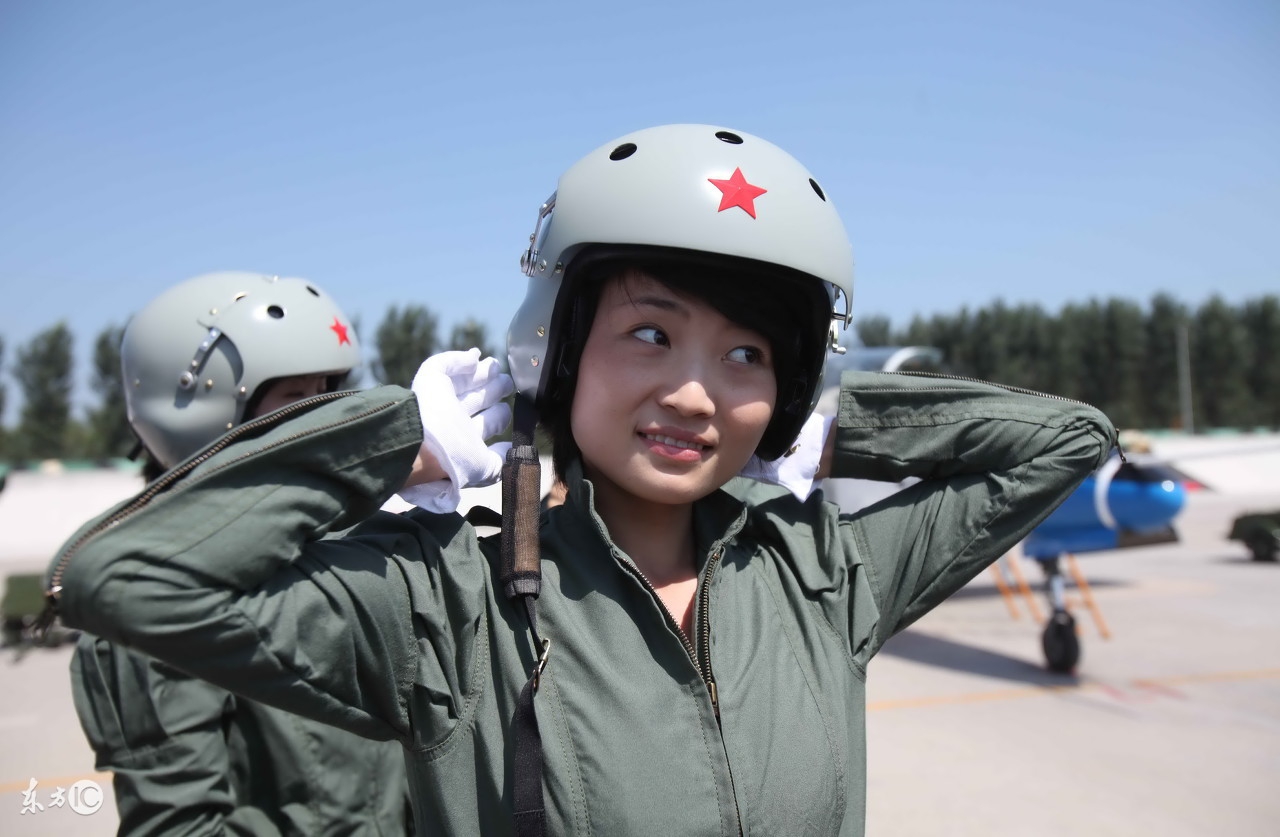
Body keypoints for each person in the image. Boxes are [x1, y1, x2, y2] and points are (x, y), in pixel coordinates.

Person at [46, 126, 1116, 836]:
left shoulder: (825, 576)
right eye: (649, 333)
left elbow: (1062, 440)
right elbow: (124, 579)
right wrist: (396, 443)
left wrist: (829, 433)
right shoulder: (442, 603)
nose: (698, 394)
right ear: (554, 350)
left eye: (750, 355)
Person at [67, 272, 413, 836]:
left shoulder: (346, 557)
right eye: (296, 400)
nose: (326, 422)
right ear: (206, 418)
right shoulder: (150, 612)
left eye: (329, 392)